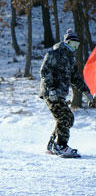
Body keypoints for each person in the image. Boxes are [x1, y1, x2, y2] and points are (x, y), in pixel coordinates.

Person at [39, 29, 93, 157]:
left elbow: (75, 78)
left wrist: (86, 92)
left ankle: (53, 145)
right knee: (66, 118)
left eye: (77, 46)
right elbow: (45, 71)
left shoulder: (70, 58)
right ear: (67, 42)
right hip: (51, 93)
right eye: (73, 45)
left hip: (60, 94)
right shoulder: (55, 53)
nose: (75, 48)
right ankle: (61, 146)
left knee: (64, 118)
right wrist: (51, 89)